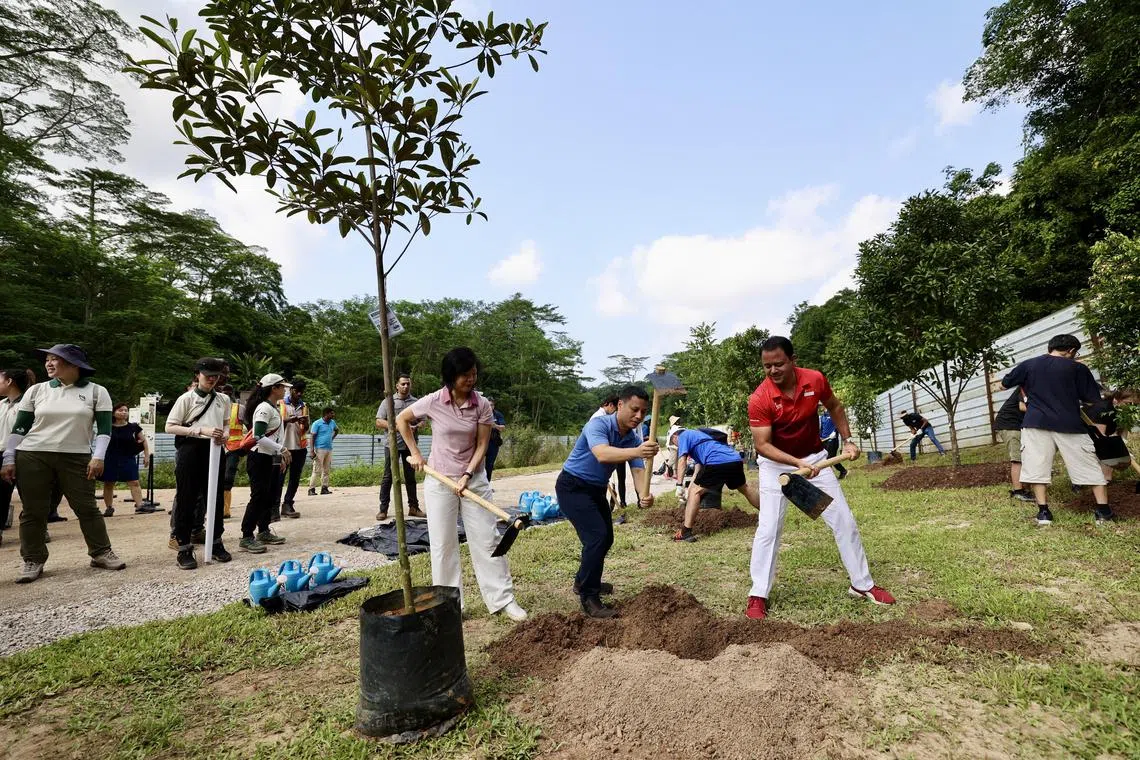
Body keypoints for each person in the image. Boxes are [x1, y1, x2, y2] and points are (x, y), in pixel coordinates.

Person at [746, 336, 894, 620]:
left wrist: (848, 441)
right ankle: (758, 594)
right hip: (776, 466)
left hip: (816, 459)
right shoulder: (760, 399)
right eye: (767, 366)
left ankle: (861, 585)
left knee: (843, 520)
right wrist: (795, 463)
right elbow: (762, 445)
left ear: (793, 360)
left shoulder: (814, 380)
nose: (773, 371)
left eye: (778, 364)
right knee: (769, 529)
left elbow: (835, 407)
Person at [397, 348, 528, 622]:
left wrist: (468, 474)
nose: (471, 379)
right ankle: (450, 605)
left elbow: (482, 444)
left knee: (487, 539)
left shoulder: (482, 404)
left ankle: (503, 600)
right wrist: (416, 453)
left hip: (474, 480)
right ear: (451, 377)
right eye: (465, 375)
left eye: (474, 374)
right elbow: (402, 420)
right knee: (443, 545)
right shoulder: (434, 401)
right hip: (439, 480)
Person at [1, 344, 126, 583]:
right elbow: (20, 428)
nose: (48, 364)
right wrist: (9, 457)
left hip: (76, 456)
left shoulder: (97, 392)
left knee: (86, 507)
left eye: (54, 359)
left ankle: (100, 552)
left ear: (73, 364)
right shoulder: (37, 391)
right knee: (33, 511)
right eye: (47, 359)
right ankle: (33, 559)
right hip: (33, 454)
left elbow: (104, 430)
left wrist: (98, 456)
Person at [556, 385, 658, 618]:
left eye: (643, 412)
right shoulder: (598, 425)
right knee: (597, 537)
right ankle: (590, 597)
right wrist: (638, 451)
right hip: (572, 487)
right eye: (634, 410)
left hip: (595, 490)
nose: (639, 416)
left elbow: (638, 471)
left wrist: (644, 494)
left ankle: (583, 581)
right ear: (620, 405)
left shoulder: (631, 438)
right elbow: (602, 453)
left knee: (605, 538)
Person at [1001, 334, 1113, 525]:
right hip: (1069, 424)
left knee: (1037, 466)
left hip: (1035, 423)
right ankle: (1103, 512)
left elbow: (1004, 384)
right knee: (1089, 466)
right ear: (1070, 351)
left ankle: (1044, 513)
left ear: (1050, 347)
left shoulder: (1029, 365)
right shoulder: (1078, 368)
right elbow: (1092, 399)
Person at [164, 358, 234, 569]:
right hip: (190, 449)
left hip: (214, 450)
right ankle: (184, 546)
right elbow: (170, 426)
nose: (212, 379)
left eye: (216, 376)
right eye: (208, 375)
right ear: (198, 375)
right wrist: (200, 430)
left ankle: (216, 541)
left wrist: (225, 436)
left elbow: (226, 425)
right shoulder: (186, 398)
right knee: (187, 496)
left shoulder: (223, 399)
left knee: (215, 497)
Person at [670, 425, 760, 543]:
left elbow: (682, 461)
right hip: (734, 459)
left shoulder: (683, 436)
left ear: (675, 436)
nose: (677, 446)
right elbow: (697, 472)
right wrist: (688, 490)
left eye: (674, 443)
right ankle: (768, 514)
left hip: (716, 461)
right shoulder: (699, 439)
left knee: (695, 492)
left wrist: (679, 485)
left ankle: (686, 532)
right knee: (744, 488)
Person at [239, 374, 292, 553]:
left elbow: (275, 437)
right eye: (282, 387)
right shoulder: (264, 408)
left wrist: (278, 457)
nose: (285, 390)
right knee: (258, 496)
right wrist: (282, 450)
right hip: (259, 458)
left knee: (268, 496)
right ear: (274, 388)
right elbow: (258, 437)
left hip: (269, 458)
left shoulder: (273, 407)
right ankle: (247, 535)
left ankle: (263, 530)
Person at [376, 373, 425, 521]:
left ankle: (413, 508)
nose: (405, 386)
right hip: (392, 445)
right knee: (388, 477)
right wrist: (399, 427)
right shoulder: (388, 401)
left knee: (410, 478)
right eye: (402, 384)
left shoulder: (416, 402)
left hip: (410, 446)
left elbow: (423, 421)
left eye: (408, 384)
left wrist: (416, 426)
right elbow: (379, 422)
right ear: (397, 386)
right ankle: (383, 509)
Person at [0, 368, 35, 545]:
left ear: (9, 382)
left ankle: (38, 529)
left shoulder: (27, 404)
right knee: (1, 494)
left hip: (24, 453)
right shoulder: (1, 404)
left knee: (29, 494)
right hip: (1, 454)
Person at [101, 402, 152, 517]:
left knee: (134, 481)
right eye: (120, 410)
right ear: (113, 413)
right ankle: (109, 508)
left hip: (128, 457)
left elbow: (143, 441)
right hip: (110, 457)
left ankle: (140, 506)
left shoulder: (133, 427)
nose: (124, 412)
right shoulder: (107, 427)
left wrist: (146, 455)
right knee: (109, 483)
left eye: (125, 410)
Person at [1083, 388, 1139, 481]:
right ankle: (1092, 479)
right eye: (1129, 403)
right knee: (1108, 451)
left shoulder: (1125, 414)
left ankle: (1106, 479)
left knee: (1113, 451)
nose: (1132, 407)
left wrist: (1123, 450)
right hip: (1083, 436)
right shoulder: (1103, 409)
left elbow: (1120, 436)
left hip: (1103, 437)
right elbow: (1099, 438)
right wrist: (1117, 450)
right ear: (1117, 400)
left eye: (1136, 405)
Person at [993, 387, 1033, 502]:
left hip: (1018, 425)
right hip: (1010, 425)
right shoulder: (1028, 385)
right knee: (1017, 459)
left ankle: (1024, 487)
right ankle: (1018, 492)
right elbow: (1022, 406)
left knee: (1025, 456)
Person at [278, 380, 309, 519]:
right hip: (283, 447)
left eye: (301, 392)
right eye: (297, 391)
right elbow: (275, 425)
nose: (299, 394)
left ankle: (288, 504)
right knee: (278, 478)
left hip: (299, 447)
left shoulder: (304, 406)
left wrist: (305, 422)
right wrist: (287, 421)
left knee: (295, 479)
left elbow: (306, 429)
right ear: (291, 390)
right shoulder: (280, 404)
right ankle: (273, 507)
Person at [220, 383, 245, 518]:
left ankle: (225, 510)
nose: (226, 395)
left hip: (234, 447)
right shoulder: (215, 407)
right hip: (217, 446)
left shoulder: (239, 409)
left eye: (228, 393)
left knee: (228, 478)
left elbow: (250, 425)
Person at [307, 407, 339, 495]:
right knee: (316, 470)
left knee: (326, 470)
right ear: (326, 414)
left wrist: (331, 438)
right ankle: (311, 489)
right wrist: (312, 451)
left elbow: (337, 430)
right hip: (319, 449)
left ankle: (324, 488)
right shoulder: (317, 423)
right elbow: (312, 437)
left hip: (329, 449)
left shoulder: (332, 423)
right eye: (332, 413)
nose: (333, 415)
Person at [819, 409, 847, 479]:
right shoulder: (823, 417)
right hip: (824, 440)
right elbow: (822, 428)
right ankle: (830, 475)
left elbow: (838, 424)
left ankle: (842, 471)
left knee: (831, 458)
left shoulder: (833, 414)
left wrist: (835, 432)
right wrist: (820, 437)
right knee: (825, 458)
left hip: (832, 439)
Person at [484, 397, 506, 480]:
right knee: (479, 466)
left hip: (493, 443)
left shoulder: (497, 414)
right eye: (488, 405)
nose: (490, 407)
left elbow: (503, 427)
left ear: (494, 406)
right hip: (481, 442)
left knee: (489, 465)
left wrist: (495, 426)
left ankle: (488, 485)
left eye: (492, 405)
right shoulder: (480, 413)